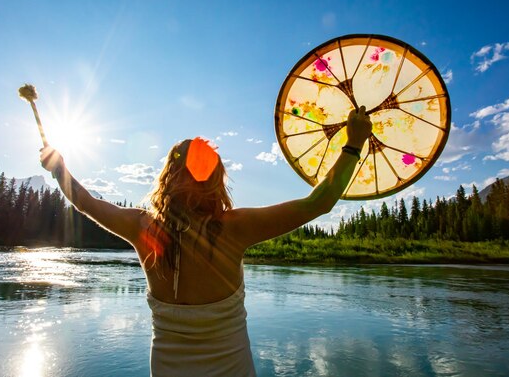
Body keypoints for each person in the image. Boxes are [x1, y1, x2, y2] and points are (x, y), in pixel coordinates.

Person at [40, 106, 372, 376]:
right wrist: (353, 144)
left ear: (169, 176)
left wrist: (58, 169)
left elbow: (84, 202)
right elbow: (319, 203)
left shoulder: (143, 228)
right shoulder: (237, 227)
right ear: (217, 179)